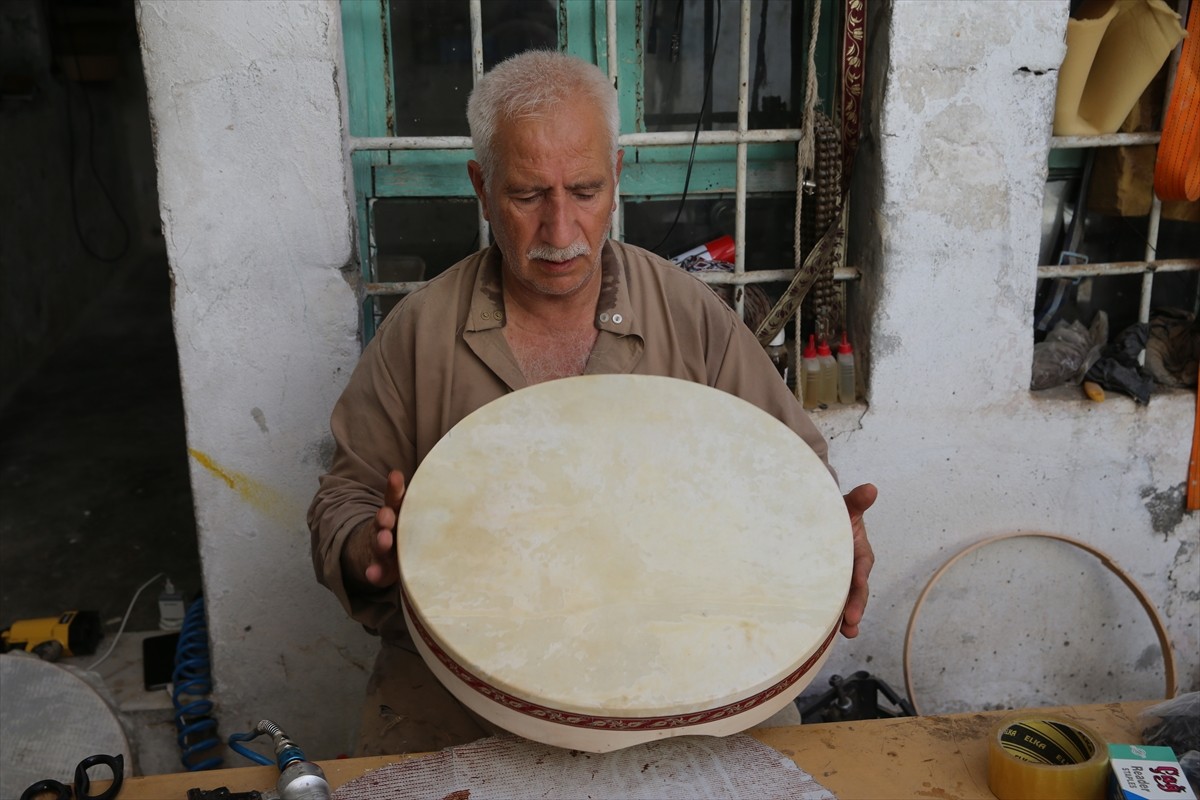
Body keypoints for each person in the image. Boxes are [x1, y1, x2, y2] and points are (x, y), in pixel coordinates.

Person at [308, 49, 877, 756]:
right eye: (525, 196)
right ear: (481, 188)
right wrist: (370, 547)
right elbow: (345, 500)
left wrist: (826, 531)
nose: (560, 231)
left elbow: (791, 470)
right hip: (462, 691)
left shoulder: (688, 315)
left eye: (583, 190)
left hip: (685, 678)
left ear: (616, 178)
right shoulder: (419, 333)